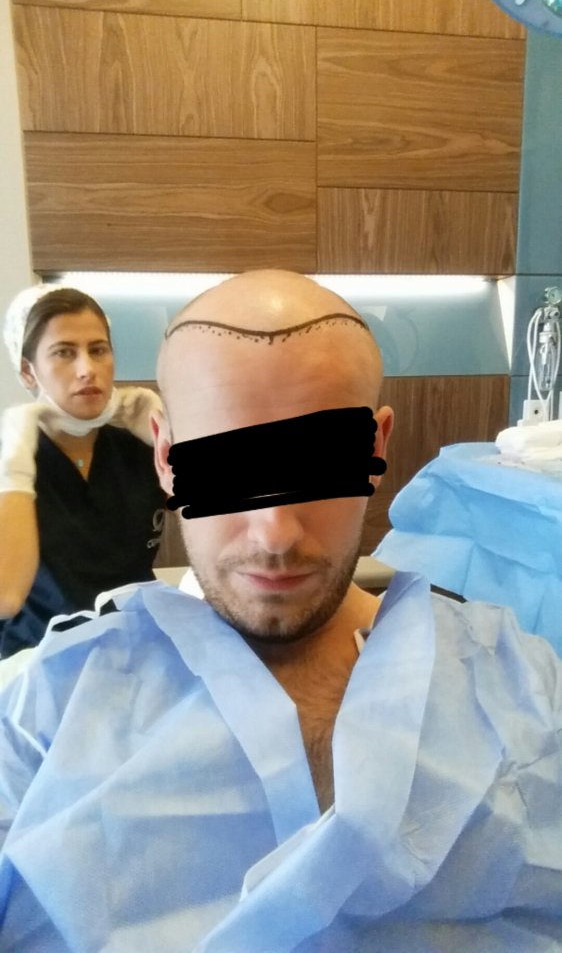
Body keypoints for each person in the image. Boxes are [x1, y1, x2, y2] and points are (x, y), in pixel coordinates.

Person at [0, 270, 561, 952]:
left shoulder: (524, 689)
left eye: (318, 465)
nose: (275, 533)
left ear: (375, 448)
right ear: (168, 459)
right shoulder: (44, 719)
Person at [0, 284, 165, 657]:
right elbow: (6, 597)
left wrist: (170, 439)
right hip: (39, 661)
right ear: (28, 372)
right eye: (64, 352)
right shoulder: (11, 462)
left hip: (140, 651)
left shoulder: (136, 445)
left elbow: (228, 530)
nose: (87, 369)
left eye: (98, 350)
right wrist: (14, 467)